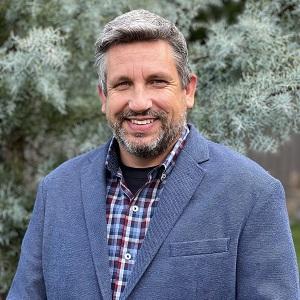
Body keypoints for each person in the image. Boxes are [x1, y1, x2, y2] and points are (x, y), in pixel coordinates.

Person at [8, 9, 299, 300]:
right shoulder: (57, 190)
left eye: (157, 81)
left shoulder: (252, 193)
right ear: (103, 97)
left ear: (188, 90)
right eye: (122, 84)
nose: (139, 103)